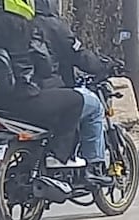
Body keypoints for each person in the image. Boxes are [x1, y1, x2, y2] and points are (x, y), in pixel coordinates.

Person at [0, 0, 84, 165]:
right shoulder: (27, 28)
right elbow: (44, 67)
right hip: (22, 101)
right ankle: (59, 156)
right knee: (76, 100)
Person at [33, 0, 115, 186]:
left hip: (7, 98)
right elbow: (79, 55)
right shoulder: (52, 25)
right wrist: (102, 65)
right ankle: (94, 167)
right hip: (46, 91)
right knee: (93, 107)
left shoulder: (4, 26)